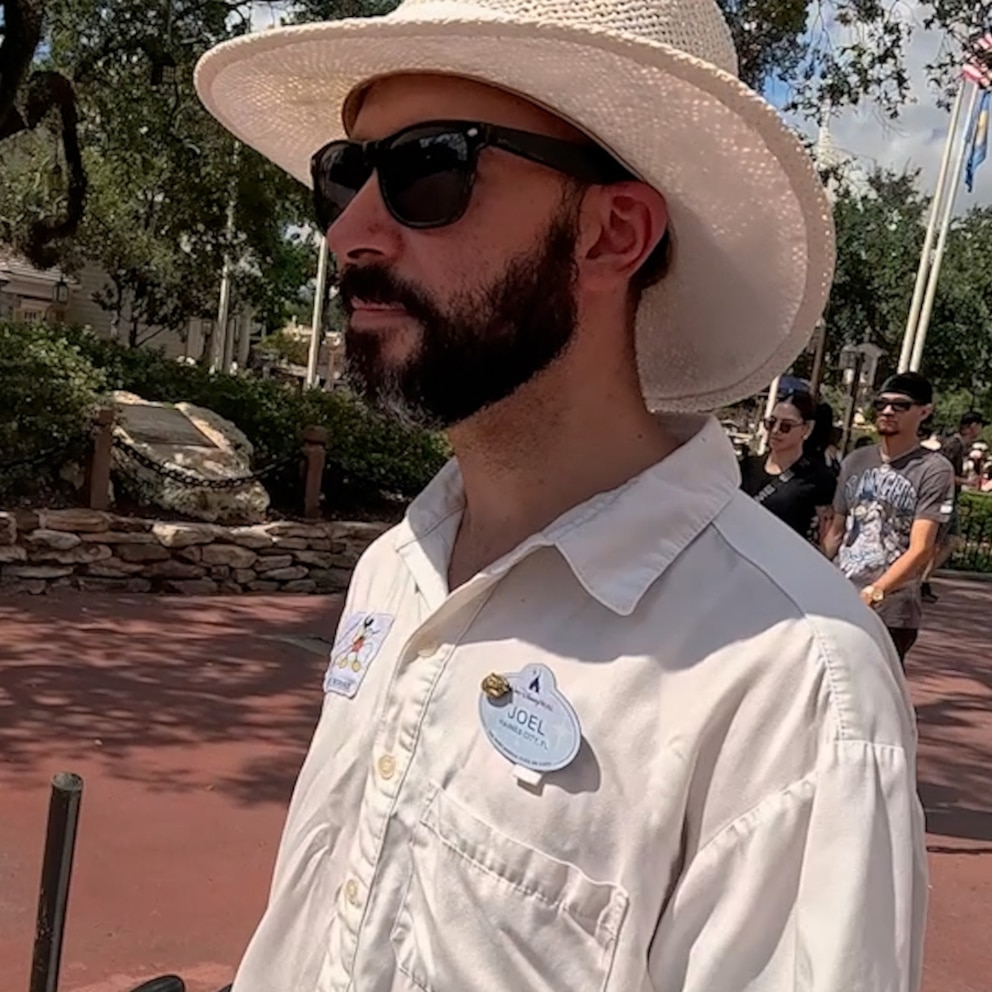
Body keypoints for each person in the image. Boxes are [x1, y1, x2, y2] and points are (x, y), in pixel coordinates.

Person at [197, 2, 925, 989]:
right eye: (344, 173)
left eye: (425, 168)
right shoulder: (394, 569)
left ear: (610, 231)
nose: (353, 230)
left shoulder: (790, 679)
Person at [824, 372, 954, 666]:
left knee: (873, 699)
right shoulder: (855, 461)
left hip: (891, 610)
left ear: (924, 412)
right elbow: (836, 531)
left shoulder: (934, 469)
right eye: (881, 404)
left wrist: (875, 592)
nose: (887, 411)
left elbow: (921, 548)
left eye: (900, 406)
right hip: (840, 597)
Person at [740, 391, 836, 542]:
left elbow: (826, 536)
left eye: (786, 426)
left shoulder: (820, 479)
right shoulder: (746, 467)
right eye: (771, 423)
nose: (776, 430)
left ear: (806, 429)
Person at [920, 411, 987, 602]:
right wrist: (966, 481)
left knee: (950, 541)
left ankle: (924, 578)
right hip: (943, 501)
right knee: (936, 542)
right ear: (972, 426)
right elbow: (943, 474)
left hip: (951, 500)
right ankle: (919, 580)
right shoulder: (953, 445)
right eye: (979, 425)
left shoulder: (961, 447)